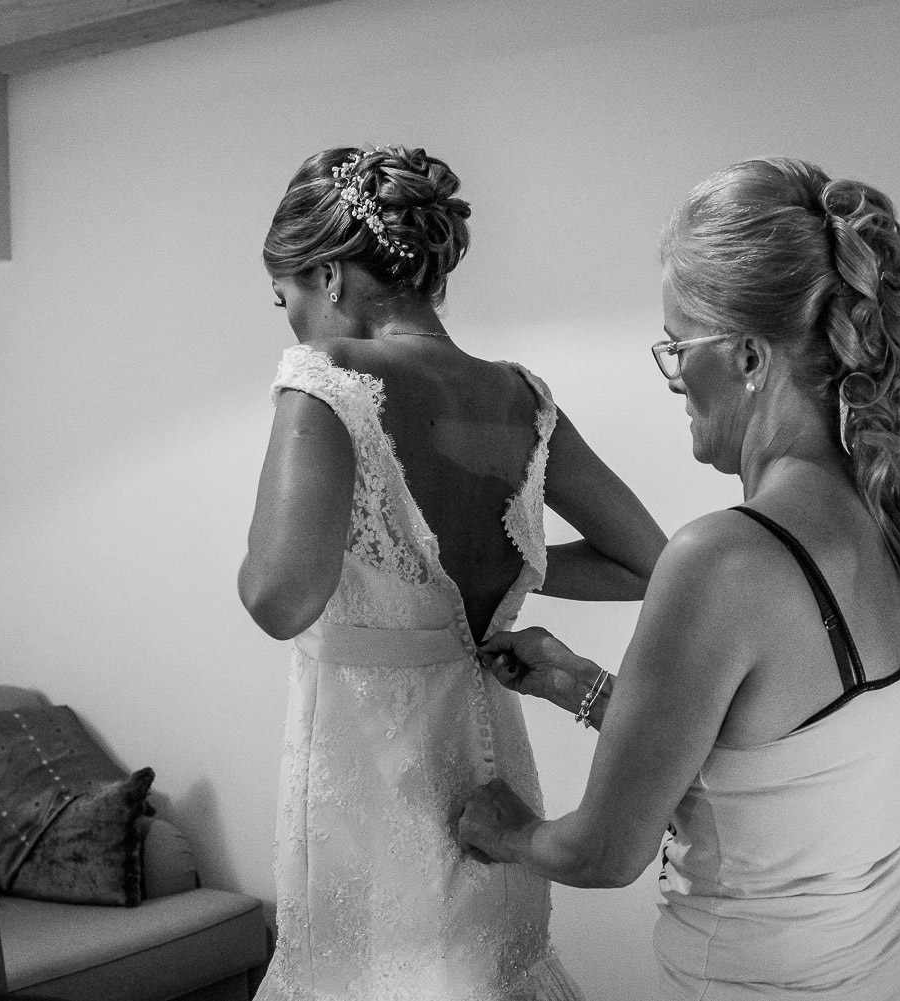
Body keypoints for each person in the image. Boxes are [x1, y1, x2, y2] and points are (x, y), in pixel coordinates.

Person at [458, 157, 900, 999]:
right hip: (899, 970)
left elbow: (605, 851)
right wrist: (582, 685)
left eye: (676, 346)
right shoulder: (894, 521)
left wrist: (507, 830)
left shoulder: (721, 560)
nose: (673, 377)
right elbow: (778, 769)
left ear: (750, 356)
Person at [238, 145, 666, 1000]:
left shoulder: (326, 381)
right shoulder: (523, 398)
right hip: (486, 770)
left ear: (328, 276)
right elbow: (646, 560)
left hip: (367, 783)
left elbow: (278, 597)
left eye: (283, 296)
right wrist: (507, 556)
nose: (287, 320)